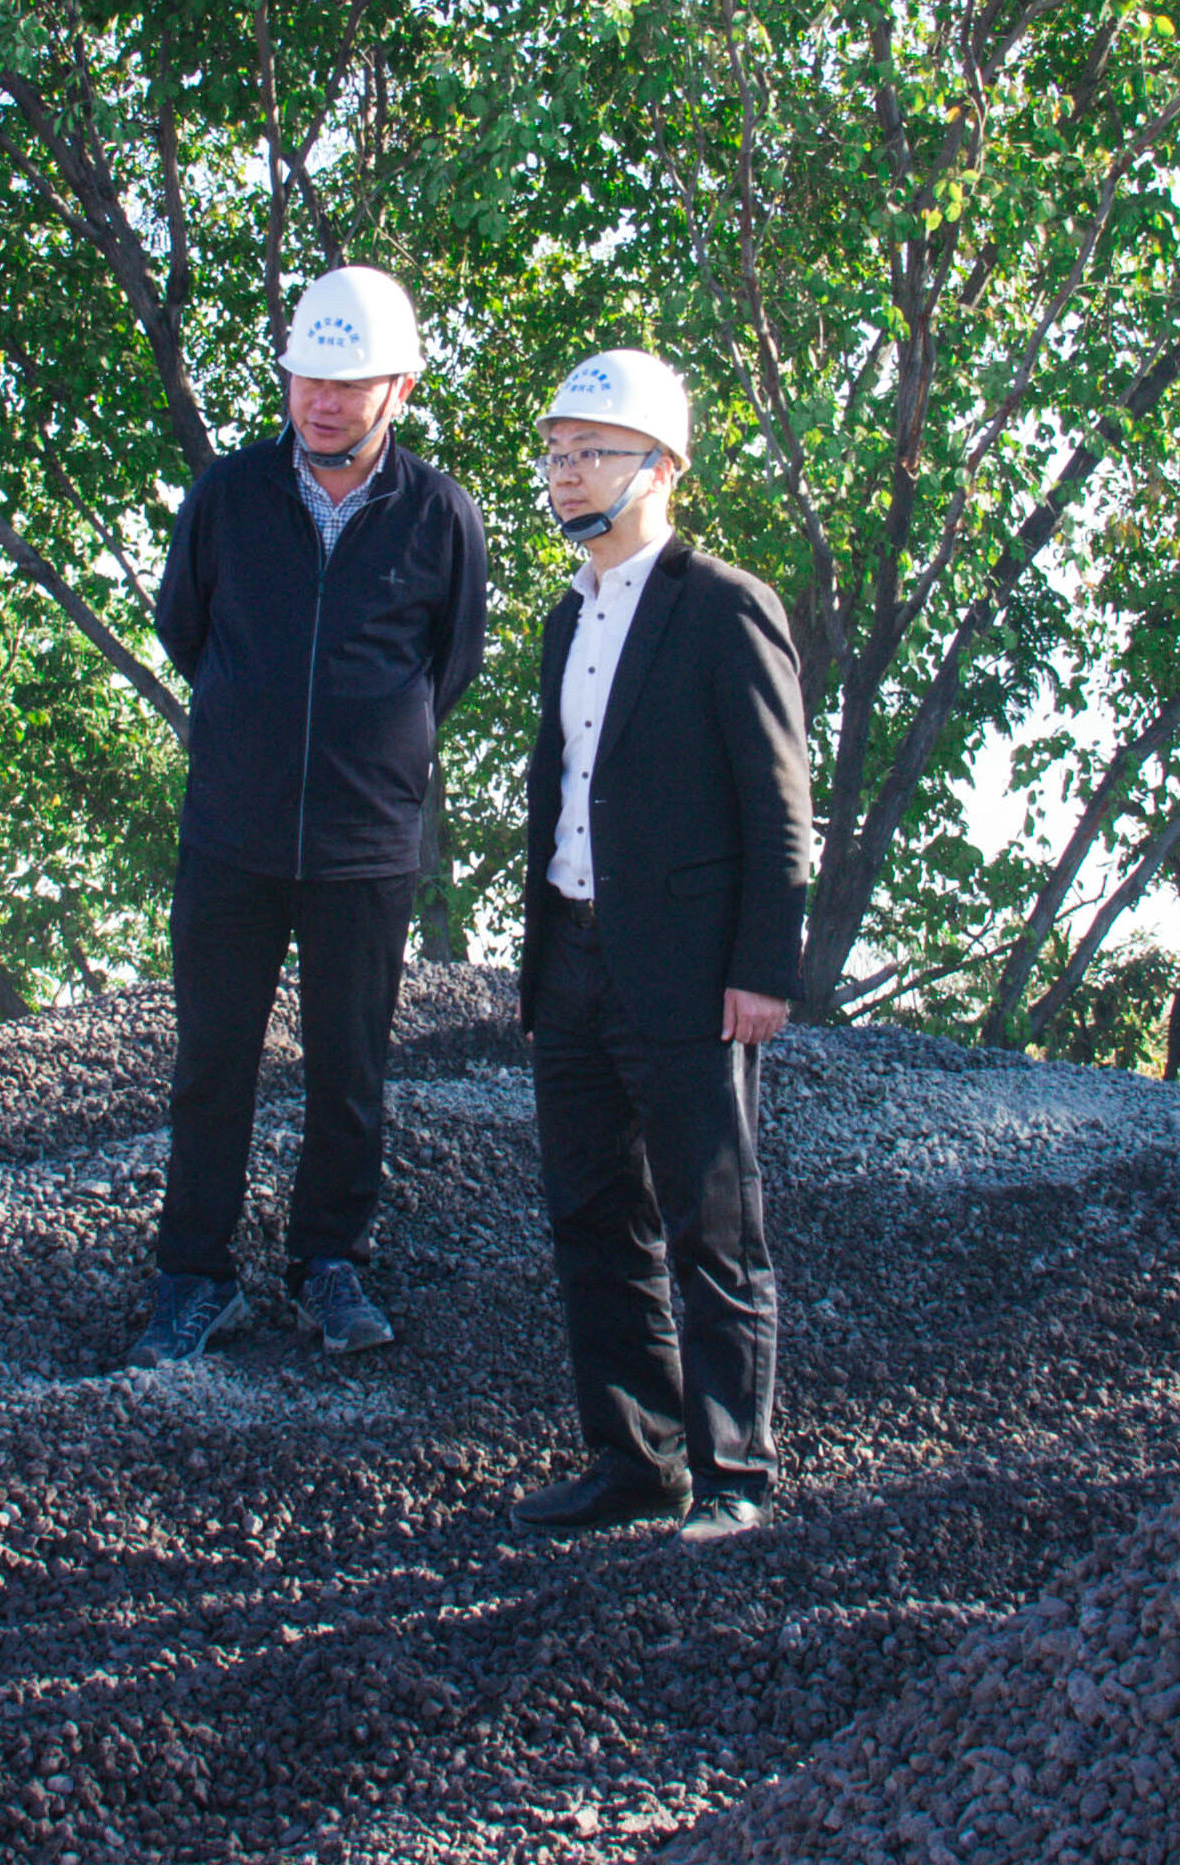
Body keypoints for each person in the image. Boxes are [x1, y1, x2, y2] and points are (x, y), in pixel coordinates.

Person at [126, 264, 490, 1370]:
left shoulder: (440, 515)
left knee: (349, 1069)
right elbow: (184, 630)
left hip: (364, 847)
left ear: (400, 387)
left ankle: (330, 1262)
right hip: (230, 835)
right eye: (305, 379)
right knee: (211, 1062)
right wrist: (256, 728)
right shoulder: (228, 496)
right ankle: (194, 1278)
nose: (321, 402)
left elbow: (449, 665)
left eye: (347, 382)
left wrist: (367, 752)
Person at [506, 349, 812, 1545]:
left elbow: (777, 805)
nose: (565, 471)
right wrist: (539, 962)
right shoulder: (563, 617)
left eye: (590, 450)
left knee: (711, 1224)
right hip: (572, 959)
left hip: (689, 971)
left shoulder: (725, 605)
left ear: (661, 466)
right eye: (555, 451)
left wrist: (763, 969)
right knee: (591, 1220)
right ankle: (633, 1461)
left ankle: (733, 1474)